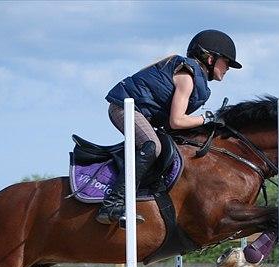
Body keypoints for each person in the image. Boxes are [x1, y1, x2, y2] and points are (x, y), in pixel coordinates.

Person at [96, 29, 242, 225]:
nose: (228, 68)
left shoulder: (194, 77)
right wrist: (207, 118)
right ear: (209, 58)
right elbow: (177, 121)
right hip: (123, 107)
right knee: (151, 146)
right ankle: (112, 203)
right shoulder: (187, 77)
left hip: (142, 113)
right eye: (226, 61)